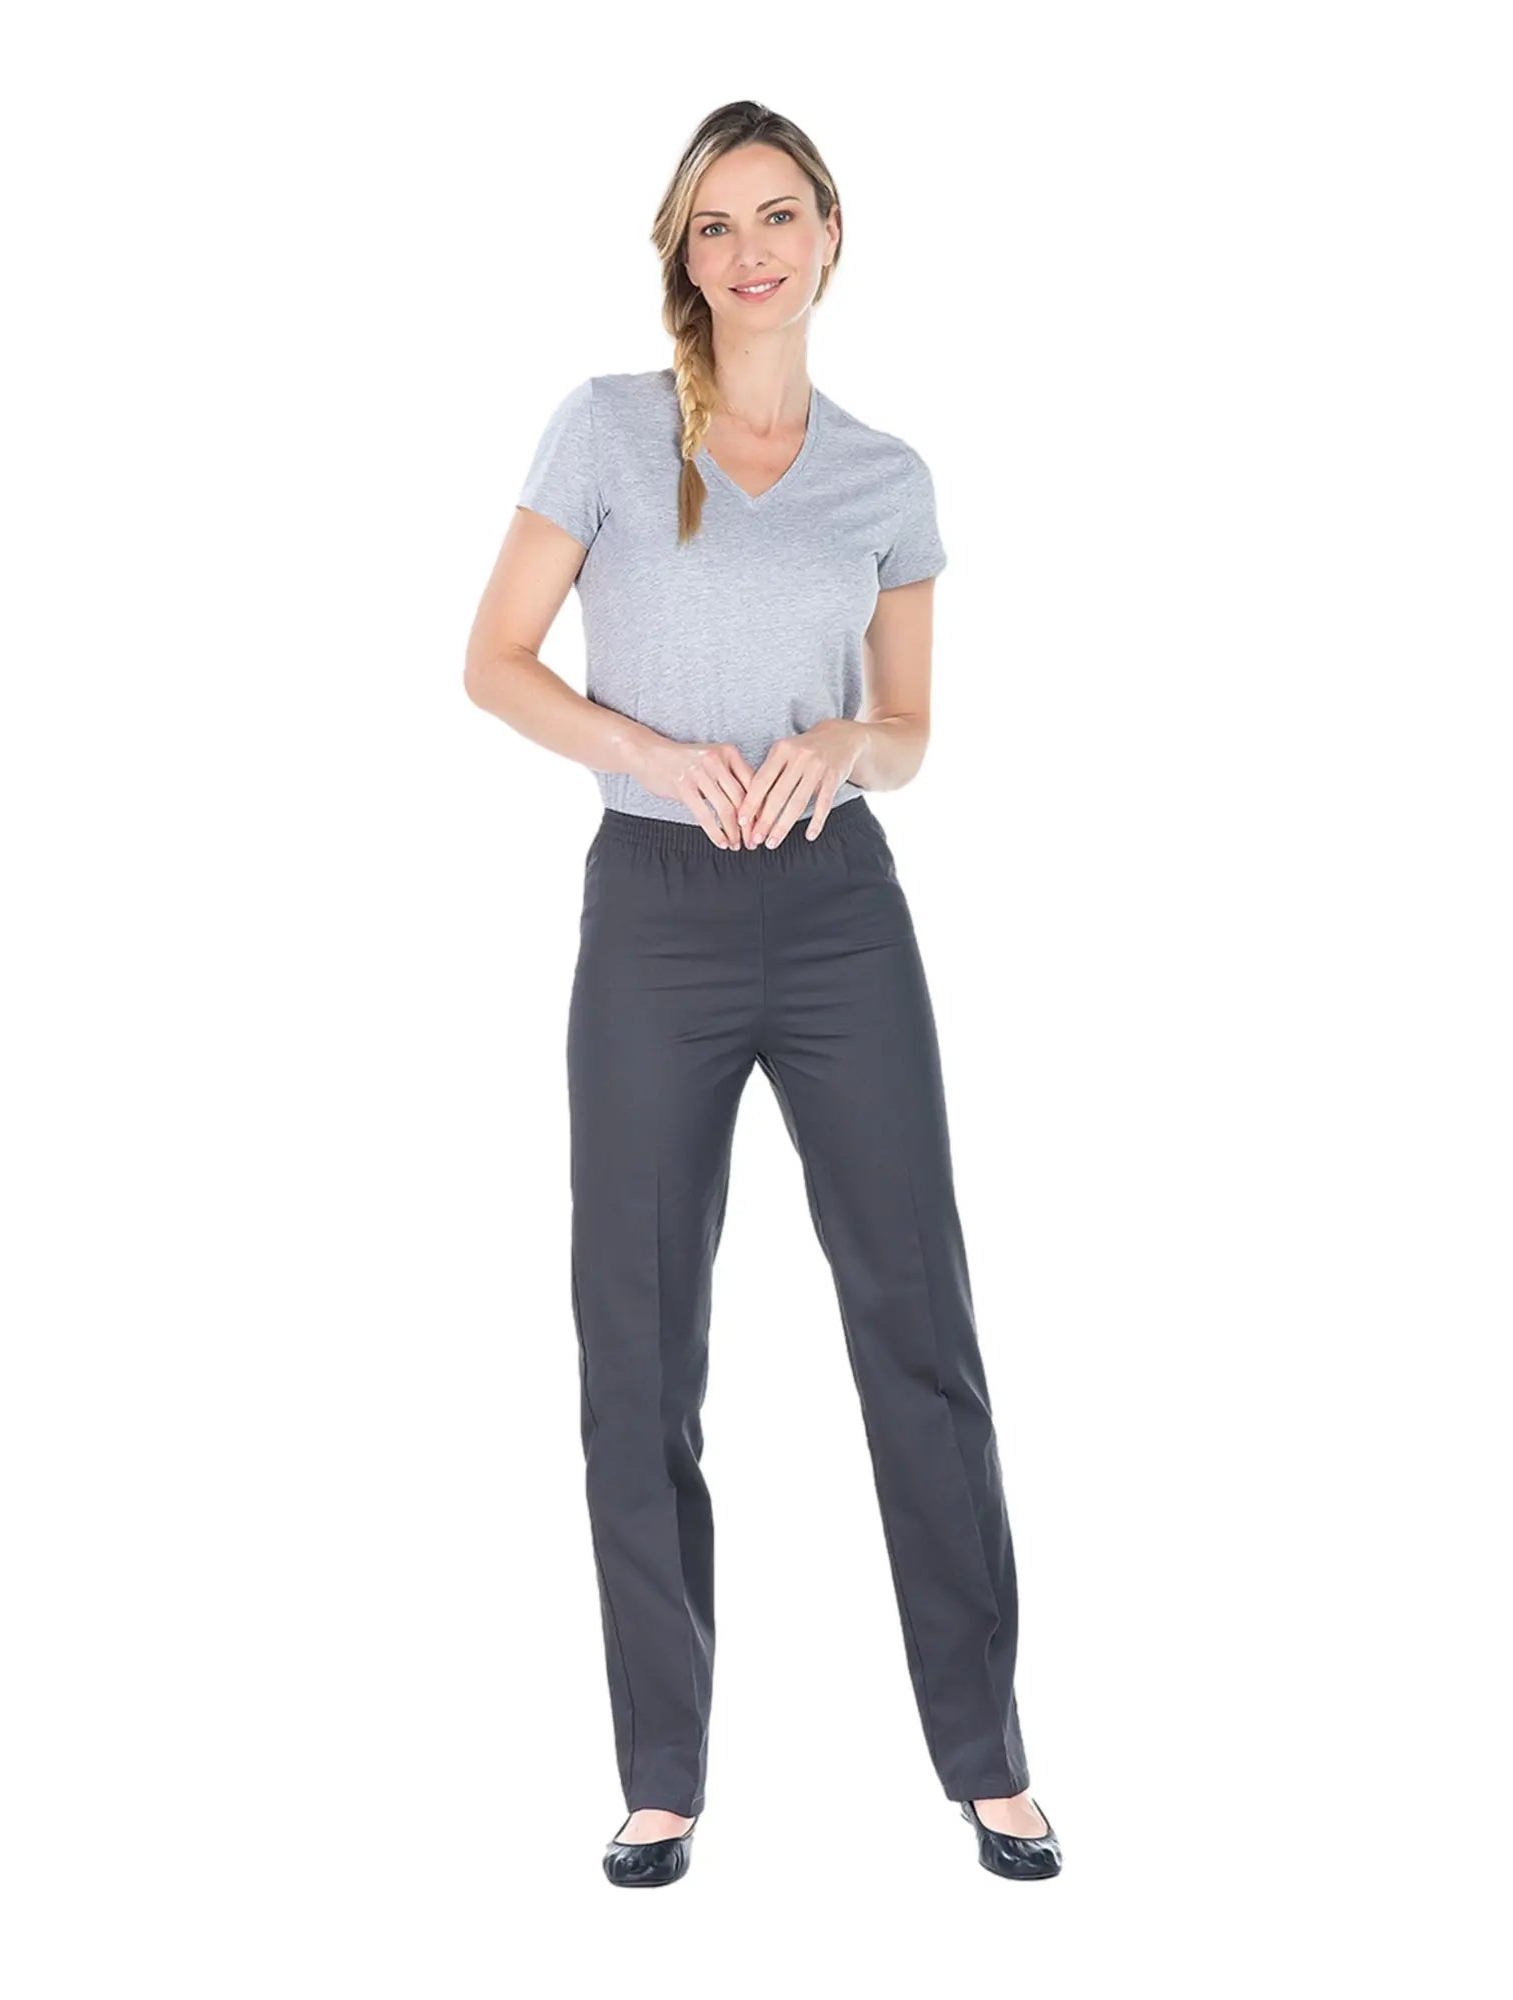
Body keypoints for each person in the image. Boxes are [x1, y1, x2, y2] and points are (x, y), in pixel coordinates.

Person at [463, 100, 1061, 1887]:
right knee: (638, 1344)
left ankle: (988, 1758)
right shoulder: (606, 430)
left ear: (829, 234)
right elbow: (493, 661)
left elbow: (913, 728)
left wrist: (844, 746)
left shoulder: (888, 477)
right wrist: (646, 751)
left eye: (779, 215)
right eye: (716, 225)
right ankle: (661, 1775)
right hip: (652, 910)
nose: (751, 251)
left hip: (836, 914)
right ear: (684, 253)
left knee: (918, 1323)